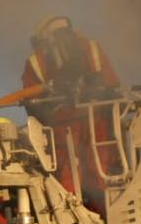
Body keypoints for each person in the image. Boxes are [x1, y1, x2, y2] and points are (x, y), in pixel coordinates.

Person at [20, 17, 123, 208]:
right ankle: (104, 213)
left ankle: (77, 214)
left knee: (70, 175)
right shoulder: (90, 47)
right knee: (100, 170)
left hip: (65, 124)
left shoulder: (37, 60)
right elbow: (114, 86)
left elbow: (31, 105)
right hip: (94, 118)